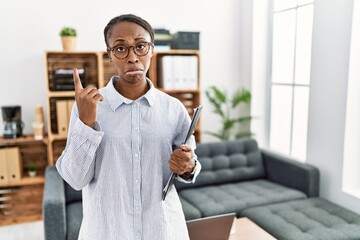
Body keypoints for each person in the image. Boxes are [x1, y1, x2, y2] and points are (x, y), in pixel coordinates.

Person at [56, 14, 201, 240]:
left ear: (152, 49)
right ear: (110, 55)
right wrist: (85, 124)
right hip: (107, 231)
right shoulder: (88, 107)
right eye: (121, 48)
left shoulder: (173, 109)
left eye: (141, 46)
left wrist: (188, 165)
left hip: (162, 230)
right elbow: (75, 179)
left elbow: (190, 163)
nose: (133, 57)